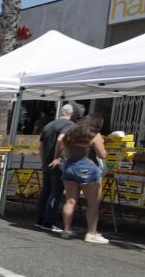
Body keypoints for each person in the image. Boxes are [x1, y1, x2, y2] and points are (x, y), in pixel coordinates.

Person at [51, 113, 109, 243]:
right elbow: (102, 155)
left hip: (69, 166)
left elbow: (60, 140)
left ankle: (66, 230)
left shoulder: (72, 133)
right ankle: (91, 233)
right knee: (93, 204)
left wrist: (57, 156)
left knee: (70, 201)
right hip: (87, 167)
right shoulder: (95, 135)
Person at [35, 103, 83, 230]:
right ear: (72, 114)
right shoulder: (70, 125)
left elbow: (40, 146)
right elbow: (61, 139)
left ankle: (40, 220)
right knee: (55, 193)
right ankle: (48, 222)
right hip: (58, 164)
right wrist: (57, 157)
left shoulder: (49, 125)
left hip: (46, 163)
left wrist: (44, 160)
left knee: (45, 191)